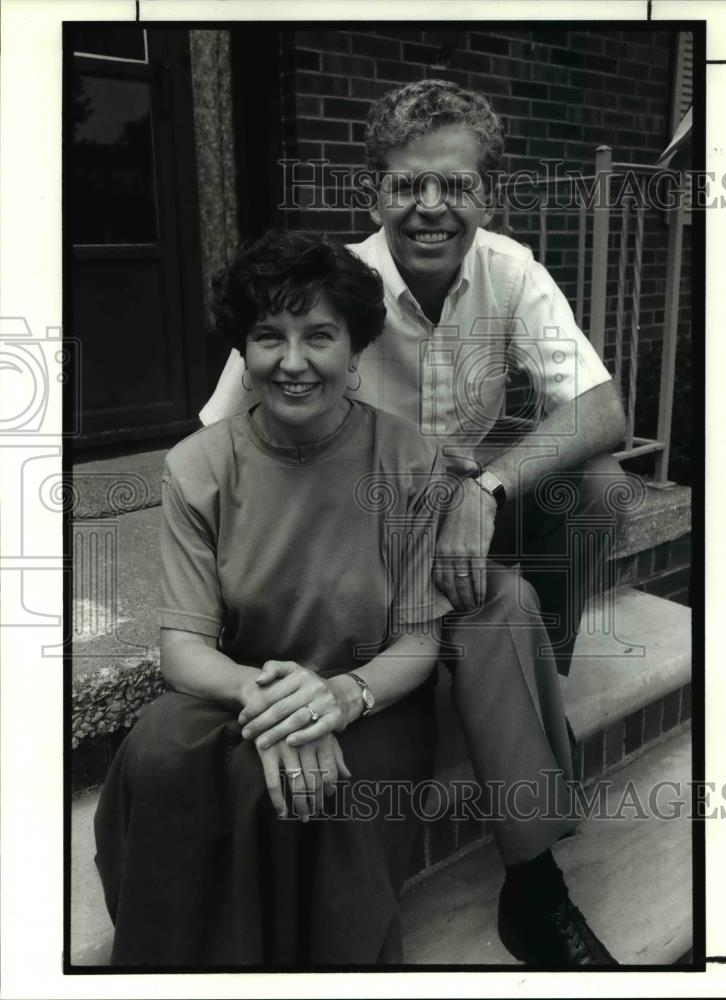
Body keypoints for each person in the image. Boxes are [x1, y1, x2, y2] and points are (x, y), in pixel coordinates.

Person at [199, 80, 626, 966]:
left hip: (457, 509)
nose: (430, 207)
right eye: (406, 185)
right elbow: (215, 443)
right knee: (491, 608)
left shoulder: (510, 271)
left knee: (590, 493)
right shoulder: (332, 293)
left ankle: (527, 826)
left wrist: (487, 490)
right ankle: (509, 745)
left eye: (455, 185)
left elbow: (601, 406)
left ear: (487, 195)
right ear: (375, 193)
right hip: (348, 527)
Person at [94, 232, 461, 966]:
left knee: (323, 792)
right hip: (242, 688)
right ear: (244, 353)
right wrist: (281, 705)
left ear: (353, 348)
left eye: (318, 335)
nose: (292, 362)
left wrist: (338, 699)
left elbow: (419, 641)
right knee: (161, 749)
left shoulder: (409, 459)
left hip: (373, 696)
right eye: (269, 337)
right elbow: (184, 650)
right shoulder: (198, 465)